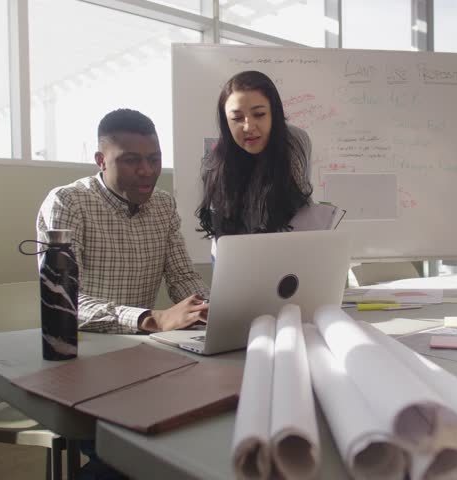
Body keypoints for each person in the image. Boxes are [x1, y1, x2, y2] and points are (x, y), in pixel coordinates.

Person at [37, 108, 209, 334]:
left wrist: (209, 308)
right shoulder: (68, 202)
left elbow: (182, 277)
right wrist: (152, 319)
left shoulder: (163, 204)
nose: (146, 171)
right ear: (101, 161)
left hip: (143, 341)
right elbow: (62, 297)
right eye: (131, 160)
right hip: (84, 342)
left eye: (154, 159)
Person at [196, 70, 313, 244]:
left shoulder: (293, 142)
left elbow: (297, 209)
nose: (248, 127)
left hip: (292, 246)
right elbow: (223, 238)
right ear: (226, 122)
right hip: (239, 253)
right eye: (237, 118)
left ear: (274, 114)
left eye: (259, 114)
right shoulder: (215, 167)